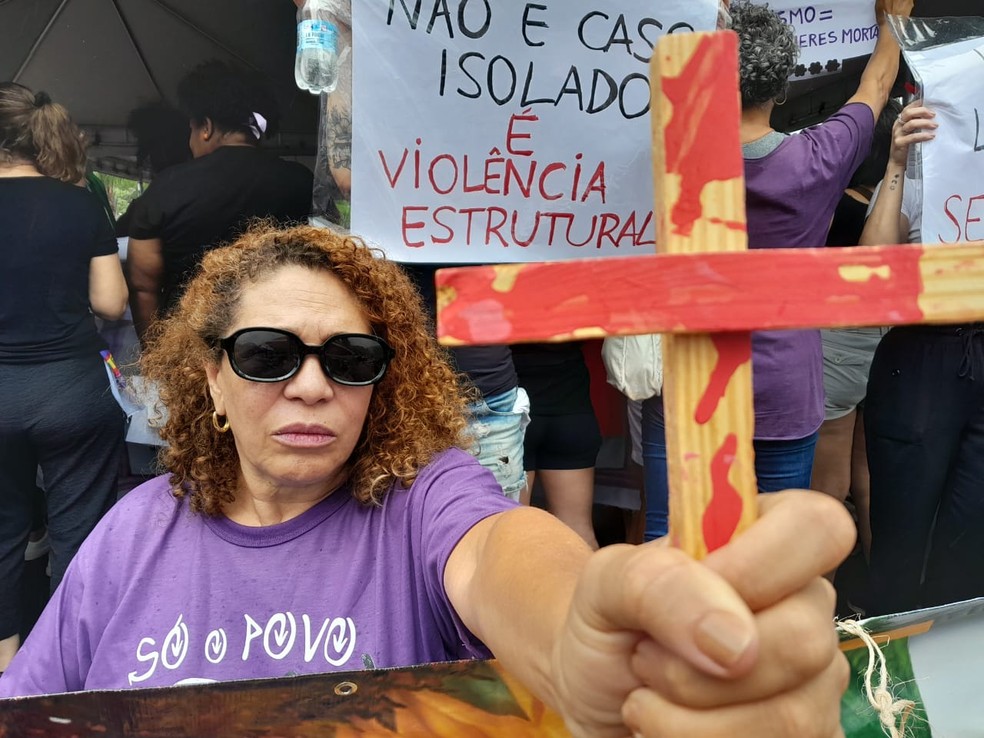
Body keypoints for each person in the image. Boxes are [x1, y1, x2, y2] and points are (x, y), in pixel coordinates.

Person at [1, 224, 854, 738]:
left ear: (384, 381)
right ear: (213, 380)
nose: (310, 385)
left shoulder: (420, 500)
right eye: (266, 355)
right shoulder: (133, 528)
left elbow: (499, 557)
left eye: (350, 357)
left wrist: (589, 637)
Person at [640, 0, 911, 542]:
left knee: (667, 551)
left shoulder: (674, 158)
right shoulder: (819, 158)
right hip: (785, 390)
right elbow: (876, 86)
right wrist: (893, 22)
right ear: (782, 89)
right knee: (770, 555)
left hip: (691, 381)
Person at [0, 82, 128, 673]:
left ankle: (5, 673)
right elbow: (110, 302)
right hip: (70, 392)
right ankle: (64, 675)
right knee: (79, 537)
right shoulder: (80, 203)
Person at [859, 100, 984, 613]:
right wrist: (896, 163)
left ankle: (952, 670)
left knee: (973, 532)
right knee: (902, 531)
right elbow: (872, 266)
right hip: (921, 356)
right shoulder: (922, 166)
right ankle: (888, 675)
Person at [126, 59, 315, 342]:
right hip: (274, 337)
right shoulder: (301, 182)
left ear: (206, 127)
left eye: (191, 130)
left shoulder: (167, 187)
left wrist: (155, 353)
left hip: (190, 341)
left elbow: (143, 287)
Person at [811, 100, 901, 561]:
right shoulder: (902, 201)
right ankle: (873, 571)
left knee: (828, 480)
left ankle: (825, 586)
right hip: (883, 343)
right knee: (867, 471)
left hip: (837, 343)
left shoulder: (836, 203)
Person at [513, 342, 602, 549]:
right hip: (570, 400)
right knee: (578, 532)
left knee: (512, 538)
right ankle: (590, 583)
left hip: (509, 406)